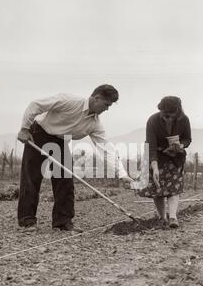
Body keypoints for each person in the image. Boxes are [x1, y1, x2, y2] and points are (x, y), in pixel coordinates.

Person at [17, 85, 133, 232]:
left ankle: (63, 222)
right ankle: (27, 221)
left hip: (60, 141)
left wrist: (122, 175)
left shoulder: (95, 124)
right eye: (106, 104)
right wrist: (24, 129)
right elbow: (36, 105)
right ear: (96, 98)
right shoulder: (69, 100)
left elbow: (106, 149)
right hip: (38, 133)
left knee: (65, 179)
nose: (107, 109)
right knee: (31, 177)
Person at [140, 96, 192, 228]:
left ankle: (173, 218)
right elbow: (151, 145)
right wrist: (155, 167)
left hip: (175, 158)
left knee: (174, 188)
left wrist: (181, 145)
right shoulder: (152, 120)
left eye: (169, 115)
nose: (166, 117)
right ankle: (162, 218)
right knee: (158, 188)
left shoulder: (184, 120)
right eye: (164, 114)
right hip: (156, 157)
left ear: (177, 113)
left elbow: (187, 139)